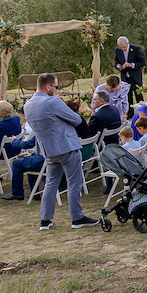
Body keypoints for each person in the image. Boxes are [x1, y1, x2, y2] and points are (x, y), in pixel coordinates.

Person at [23, 73, 98, 229]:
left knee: (51, 184)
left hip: (48, 150)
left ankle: (45, 220)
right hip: (66, 147)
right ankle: (77, 218)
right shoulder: (53, 102)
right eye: (57, 87)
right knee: (74, 183)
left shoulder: (28, 105)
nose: (58, 90)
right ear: (48, 87)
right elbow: (76, 119)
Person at [113, 37, 145, 106]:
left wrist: (131, 65)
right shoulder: (117, 50)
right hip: (125, 76)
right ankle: (129, 113)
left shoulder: (136, 49)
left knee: (138, 94)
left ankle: (142, 112)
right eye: (121, 47)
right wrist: (119, 66)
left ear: (128, 43)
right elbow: (116, 63)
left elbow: (142, 62)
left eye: (124, 47)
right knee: (127, 95)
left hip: (135, 75)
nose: (122, 49)